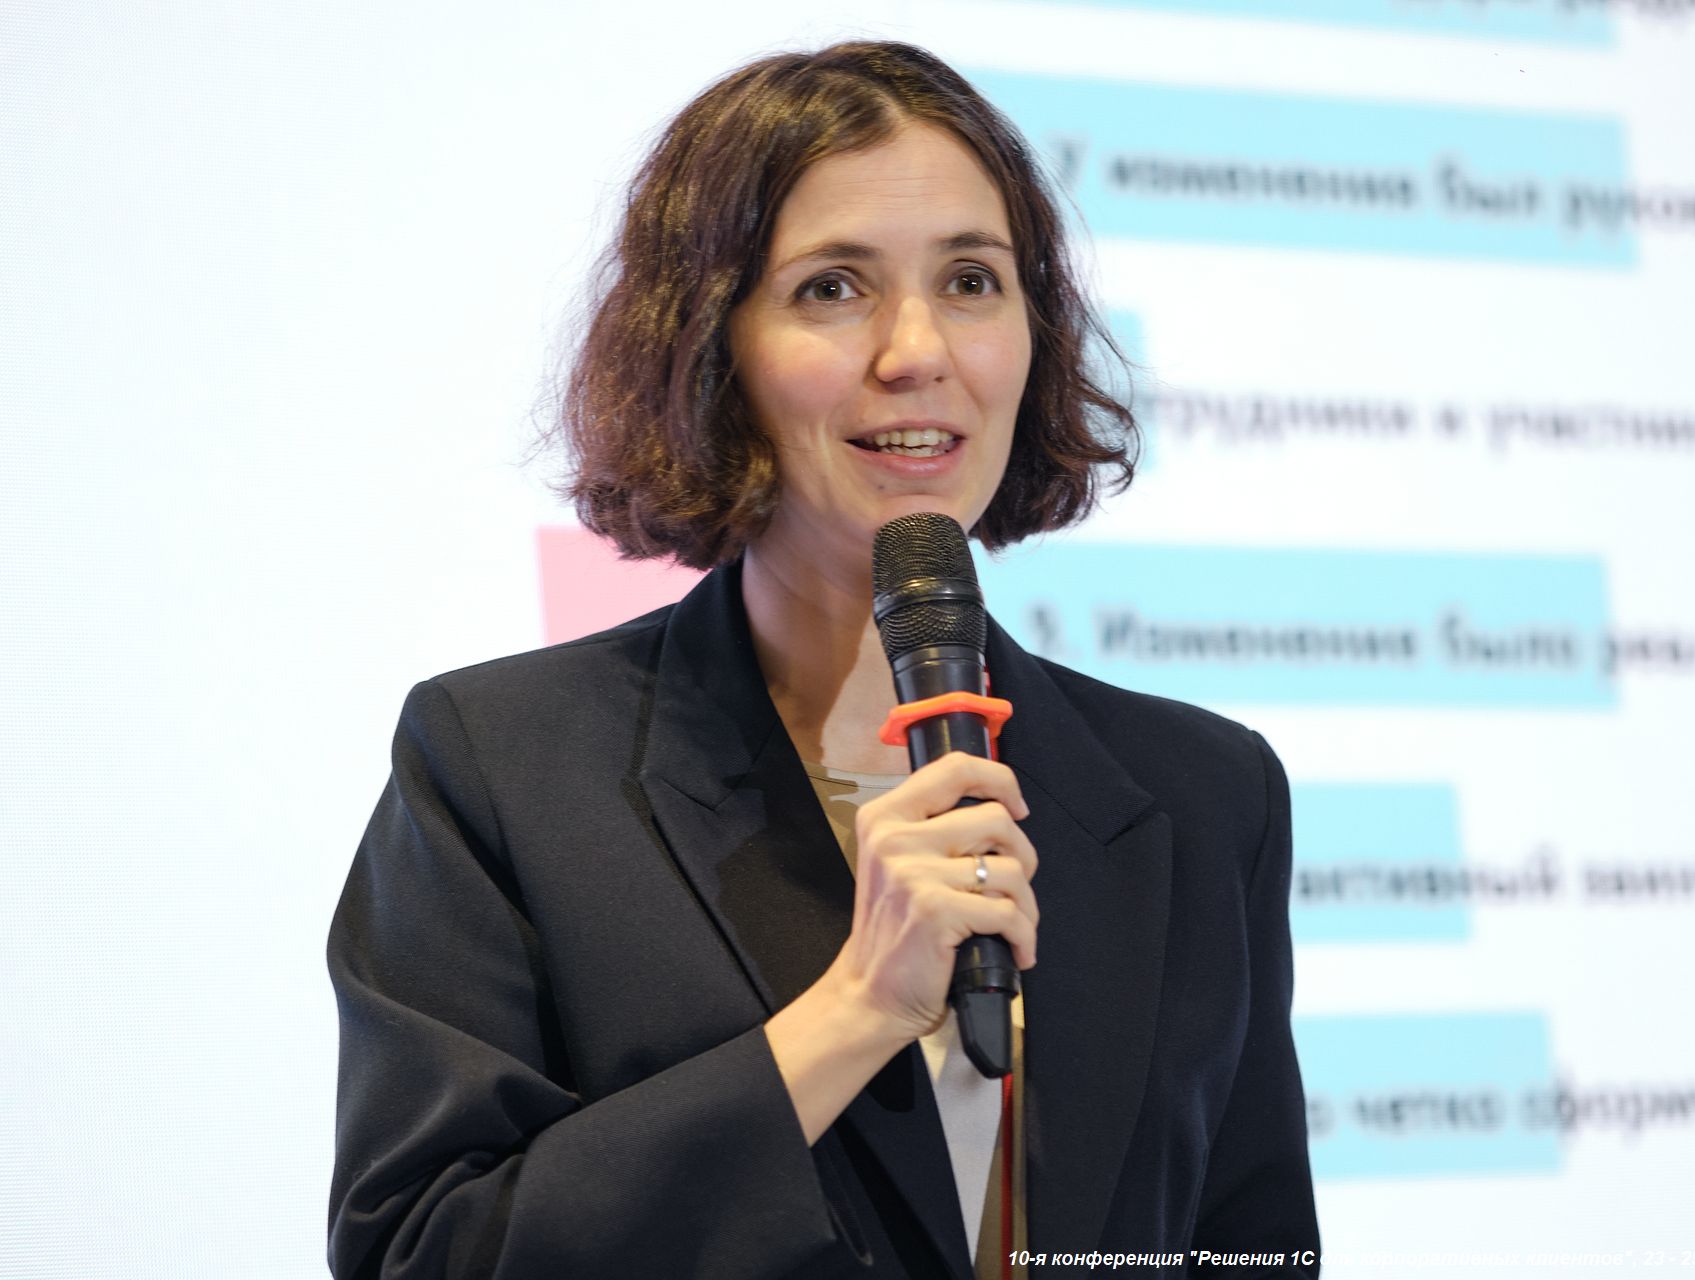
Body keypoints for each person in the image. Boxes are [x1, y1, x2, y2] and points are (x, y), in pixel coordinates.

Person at [327, 40, 1318, 1280]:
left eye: (971, 279)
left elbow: (1249, 1251)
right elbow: (423, 1254)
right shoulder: (503, 768)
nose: (917, 349)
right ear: (707, 346)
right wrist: (855, 1007)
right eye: (834, 288)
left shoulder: (1207, 790)